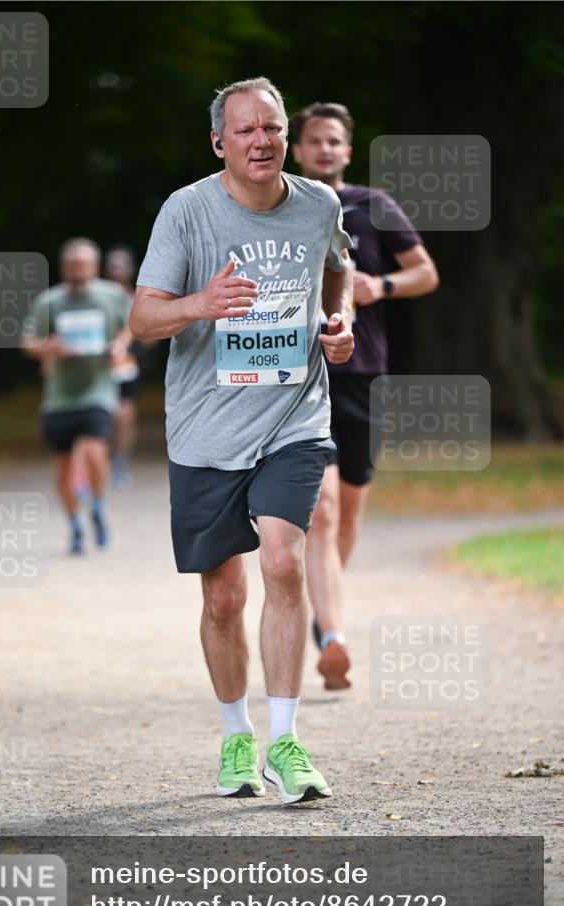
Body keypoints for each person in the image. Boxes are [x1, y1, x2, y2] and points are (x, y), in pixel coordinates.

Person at [130, 77, 354, 805]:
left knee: (285, 559)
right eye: (245, 130)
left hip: (293, 416)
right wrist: (201, 303)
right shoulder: (187, 211)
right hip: (205, 428)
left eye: (272, 128)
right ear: (219, 142)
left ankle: (286, 741)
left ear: (286, 134)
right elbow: (142, 320)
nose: (261, 141)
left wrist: (337, 320)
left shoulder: (319, 203)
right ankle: (236, 736)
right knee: (224, 596)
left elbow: (337, 269)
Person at [290, 102, 439, 689]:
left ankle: (323, 605)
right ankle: (333, 635)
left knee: (347, 514)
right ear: (297, 150)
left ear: (347, 151)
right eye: (313, 141)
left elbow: (425, 272)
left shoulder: (374, 206)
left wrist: (383, 285)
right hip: (305, 375)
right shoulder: (286, 208)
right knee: (321, 513)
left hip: (365, 374)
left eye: (334, 141)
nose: (324, 149)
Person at [21, 237, 131, 554]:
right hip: (59, 396)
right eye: (72, 268)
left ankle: (97, 504)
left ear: (94, 268)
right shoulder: (50, 302)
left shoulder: (111, 296)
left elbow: (131, 327)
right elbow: (28, 341)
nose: (77, 274)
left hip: (98, 391)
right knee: (64, 468)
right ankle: (74, 524)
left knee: (96, 452)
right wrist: (47, 347)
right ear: (63, 269)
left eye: (83, 267)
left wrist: (119, 346)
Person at [105, 245, 141, 486]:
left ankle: (120, 463)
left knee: (125, 415)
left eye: (122, 264)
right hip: (95, 366)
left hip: (124, 364)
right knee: (101, 415)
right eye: (113, 264)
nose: (118, 269)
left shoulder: (138, 296)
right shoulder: (97, 294)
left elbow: (148, 337)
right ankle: (99, 462)